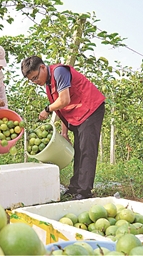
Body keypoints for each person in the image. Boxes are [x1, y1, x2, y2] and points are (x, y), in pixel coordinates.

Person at [21, 56, 105, 200]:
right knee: (79, 150)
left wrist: (47, 109)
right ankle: (75, 187)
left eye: (35, 77)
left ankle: (84, 191)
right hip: (79, 114)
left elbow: (64, 100)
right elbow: (61, 108)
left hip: (90, 108)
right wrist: (64, 132)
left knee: (86, 151)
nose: (35, 82)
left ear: (42, 67)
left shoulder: (59, 72)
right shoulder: (48, 85)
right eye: (32, 81)